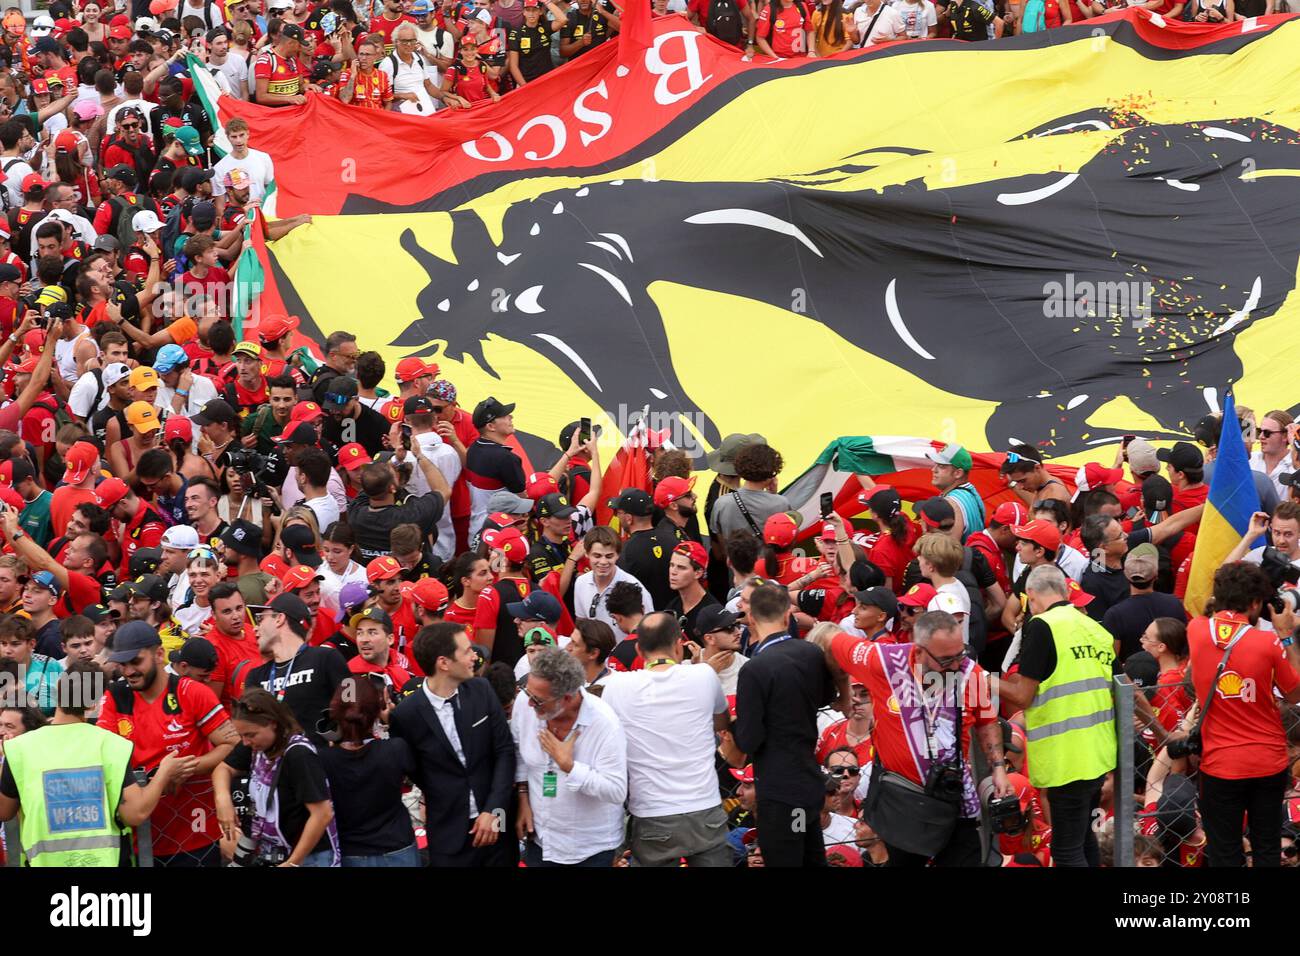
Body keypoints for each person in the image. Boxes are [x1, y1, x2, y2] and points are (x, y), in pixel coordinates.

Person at [817, 610, 1009, 865]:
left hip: (954, 800)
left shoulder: (969, 672)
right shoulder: (882, 661)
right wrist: (840, 695)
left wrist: (998, 768)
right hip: (902, 804)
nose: (955, 665)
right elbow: (827, 636)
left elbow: (987, 723)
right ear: (918, 652)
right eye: (945, 659)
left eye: (959, 654)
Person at [0, 662, 198, 867]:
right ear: (94, 704)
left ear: (58, 689)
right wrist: (163, 772)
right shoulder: (111, 745)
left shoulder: (19, 748)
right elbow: (136, 812)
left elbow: (4, 811)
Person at [996, 564, 1118, 867]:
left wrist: (981, 679)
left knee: (1066, 850)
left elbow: (1023, 695)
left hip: (1066, 759)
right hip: (1098, 753)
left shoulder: (1042, 625)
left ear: (1032, 595)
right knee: (1084, 839)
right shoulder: (1095, 628)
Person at [1181, 562, 1300, 867]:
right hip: (1268, 761)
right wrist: (1286, 635)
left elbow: (1211, 608)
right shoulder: (1268, 642)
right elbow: (1295, 693)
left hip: (1220, 765)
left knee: (1225, 852)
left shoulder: (1196, 631)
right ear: (1256, 603)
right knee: (1266, 848)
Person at [97, 620, 238, 867]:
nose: (129, 671)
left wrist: (190, 767)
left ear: (159, 654)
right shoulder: (115, 697)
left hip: (195, 838)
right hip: (136, 840)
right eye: (123, 664)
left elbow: (232, 745)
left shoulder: (192, 693)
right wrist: (160, 776)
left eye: (136, 661)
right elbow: (103, 756)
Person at [601, 611, 733, 866]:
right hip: (703, 807)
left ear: (638, 650)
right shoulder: (704, 675)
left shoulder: (616, 686)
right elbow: (722, 723)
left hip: (652, 815)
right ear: (678, 645)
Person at [388, 621, 515, 866]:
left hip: (498, 825)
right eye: (466, 651)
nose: (474, 656)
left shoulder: (482, 689)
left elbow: (504, 751)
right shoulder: (406, 716)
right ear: (444, 663)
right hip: (449, 835)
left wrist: (493, 811)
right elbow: (416, 772)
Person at [733, 582, 835, 866]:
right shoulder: (810, 653)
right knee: (810, 857)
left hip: (780, 796)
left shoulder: (755, 669)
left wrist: (730, 726)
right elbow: (827, 696)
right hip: (806, 789)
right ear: (788, 615)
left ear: (751, 617)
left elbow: (749, 740)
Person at [512, 645, 627, 867]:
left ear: (566, 698)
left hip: (589, 849)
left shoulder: (604, 723)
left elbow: (616, 790)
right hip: (541, 841)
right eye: (528, 693)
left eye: (537, 700)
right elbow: (517, 750)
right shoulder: (525, 705)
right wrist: (523, 797)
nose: (528, 703)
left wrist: (570, 767)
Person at [214, 688, 340, 867]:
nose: (245, 742)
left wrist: (293, 863)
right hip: (273, 851)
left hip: (308, 856)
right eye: (241, 735)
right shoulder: (255, 745)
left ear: (273, 723)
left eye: (250, 734)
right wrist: (223, 800)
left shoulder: (298, 754)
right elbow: (223, 769)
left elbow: (322, 814)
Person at [317, 677, 420, 867]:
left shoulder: (323, 759)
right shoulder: (395, 749)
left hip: (351, 852)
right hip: (398, 849)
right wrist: (393, 721)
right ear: (375, 711)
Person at [244, 592, 349, 742]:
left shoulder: (326, 658)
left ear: (279, 618)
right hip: (276, 761)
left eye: (260, 619)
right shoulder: (255, 676)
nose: (255, 628)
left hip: (319, 759)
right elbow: (250, 729)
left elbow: (353, 701)